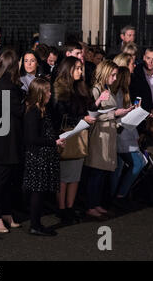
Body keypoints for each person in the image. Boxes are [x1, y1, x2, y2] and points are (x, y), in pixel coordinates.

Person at [84, 60, 134, 219]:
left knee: (102, 173)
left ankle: (96, 204)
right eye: (112, 75)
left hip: (109, 134)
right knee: (96, 173)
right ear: (104, 73)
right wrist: (115, 114)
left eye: (115, 75)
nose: (114, 79)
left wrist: (125, 113)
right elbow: (93, 115)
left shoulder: (106, 88)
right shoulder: (96, 89)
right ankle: (91, 206)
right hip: (99, 136)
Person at [52, 57, 97, 223]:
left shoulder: (81, 87)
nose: (80, 71)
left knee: (75, 175)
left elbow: (89, 107)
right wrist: (81, 118)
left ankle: (70, 207)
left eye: (81, 68)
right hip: (65, 135)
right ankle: (61, 208)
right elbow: (59, 116)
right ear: (68, 69)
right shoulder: (59, 88)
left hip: (79, 135)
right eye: (77, 68)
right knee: (63, 176)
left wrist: (90, 114)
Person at [0, 50, 25, 233]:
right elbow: (19, 111)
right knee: (0, 179)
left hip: (0, 137)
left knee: (7, 178)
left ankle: (5, 212)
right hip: (4, 139)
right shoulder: (7, 86)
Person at [23, 78, 65, 236]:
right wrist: (53, 142)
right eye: (47, 91)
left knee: (40, 193)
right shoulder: (33, 111)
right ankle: (35, 225)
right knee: (37, 192)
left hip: (44, 155)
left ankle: (37, 224)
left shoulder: (42, 109)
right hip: (37, 157)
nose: (50, 93)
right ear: (39, 93)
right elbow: (31, 138)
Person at [110, 66, 145, 208]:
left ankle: (113, 196)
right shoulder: (119, 93)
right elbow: (119, 114)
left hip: (126, 133)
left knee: (118, 168)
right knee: (138, 162)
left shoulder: (123, 93)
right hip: (122, 134)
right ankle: (120, 194)